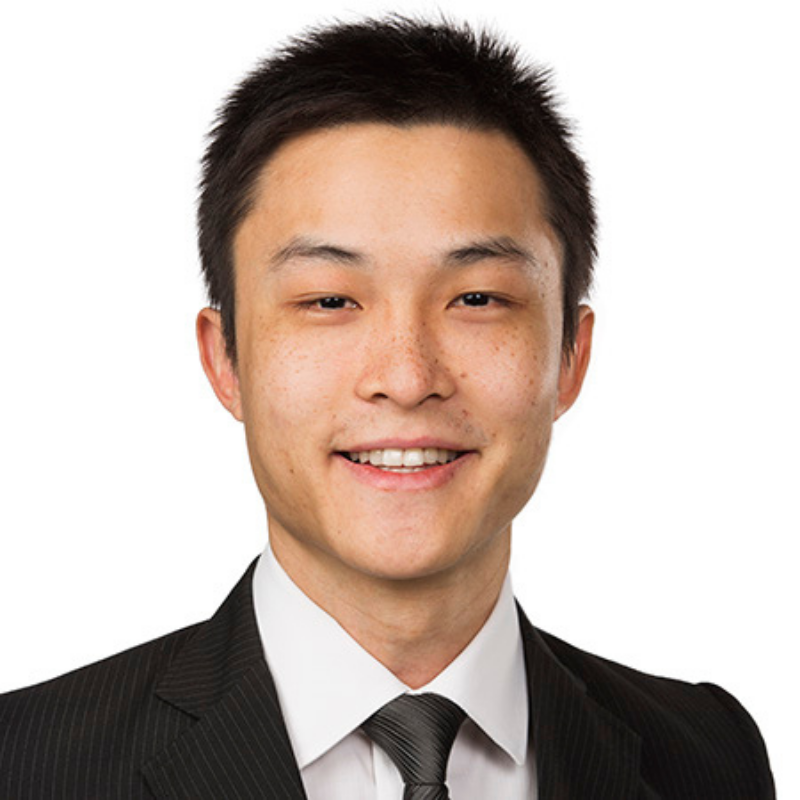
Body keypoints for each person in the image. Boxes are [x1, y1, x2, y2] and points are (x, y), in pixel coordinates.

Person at [0, 15, 774, 799]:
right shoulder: (26, 763)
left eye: (476, 297)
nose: (406, 378)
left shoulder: (709, 757)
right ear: (224, 359)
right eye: (331, 299)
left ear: (570, 356)